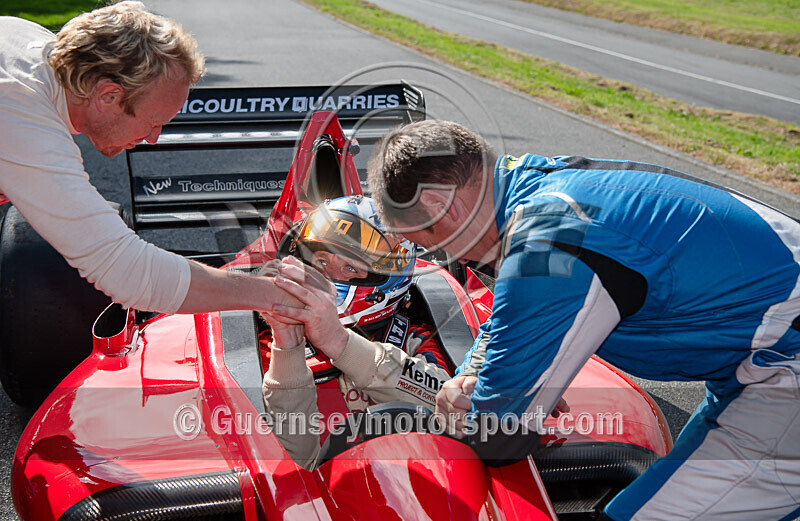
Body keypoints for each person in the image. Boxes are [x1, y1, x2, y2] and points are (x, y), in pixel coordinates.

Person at [339, 119, 800, 521]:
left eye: (430, 241)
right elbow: (513, 316)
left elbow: (500, 439)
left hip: (782, 371)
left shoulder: (548, 241)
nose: (444, 255)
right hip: (759, 361)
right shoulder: (540, 184)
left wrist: (479, 411)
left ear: (444, 208)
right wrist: (476, 377)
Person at [0, 2, 299, 314]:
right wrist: (269, 294)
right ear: (108, 95)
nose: (153, 138)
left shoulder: (26, 42)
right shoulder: (19, 111)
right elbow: (125, 271)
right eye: (153, 122)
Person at [260, 196, 452, 470]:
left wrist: (338, 343)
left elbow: (450, 408)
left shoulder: (415, 339)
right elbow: (296, 467)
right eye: (321, 261)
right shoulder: (273, 342)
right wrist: (288, 347)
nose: (328, 275)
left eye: (351, 268)